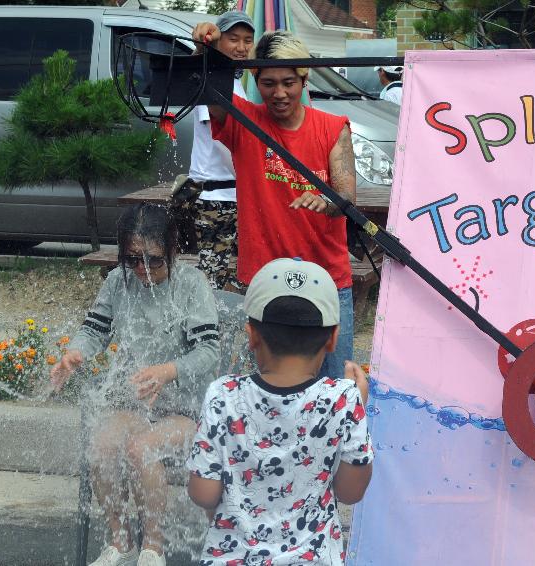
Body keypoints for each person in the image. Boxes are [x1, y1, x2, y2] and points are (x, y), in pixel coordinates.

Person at [50, 203, 220, 566]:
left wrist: (167, 370)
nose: (142, 270)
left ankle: (153, 549)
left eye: (154, 260)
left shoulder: (192, 285)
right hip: (135, 405)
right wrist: (75, 353)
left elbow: (209, 352)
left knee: (141, 448)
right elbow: (93, 329)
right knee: (102, 443)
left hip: (185, 409)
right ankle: (120, 539)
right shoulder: (118, 282)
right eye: (133, 260)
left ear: (173, 249)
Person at [190, 24, 357, 380]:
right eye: (269, 84)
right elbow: (200, 82)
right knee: (266, 388)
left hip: (327, 277)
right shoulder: (242, 121)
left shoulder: (333, 127)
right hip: (265, 278)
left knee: (335, 387)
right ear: (256, 81)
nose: (279, 93)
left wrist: (324, 200)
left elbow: (346, 198)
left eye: (288, 83)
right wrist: (201, 46)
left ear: (303, 79)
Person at [186, 257, 373, 565]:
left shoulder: (223, 395)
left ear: (252, 335)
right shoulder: (343, 399)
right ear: (333, 338)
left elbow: (203, 493)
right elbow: (351, 492)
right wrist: (356, 411)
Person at [190, 10, 255, 290]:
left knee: (244, 275)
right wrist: (256, 178)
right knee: (212, 278)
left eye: (248, 40)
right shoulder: (212, 78)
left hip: (233, 194)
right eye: (233, 39)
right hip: (217, 196)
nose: (242, 48)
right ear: (217, 41)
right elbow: (223, 140)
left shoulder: (236, 81)